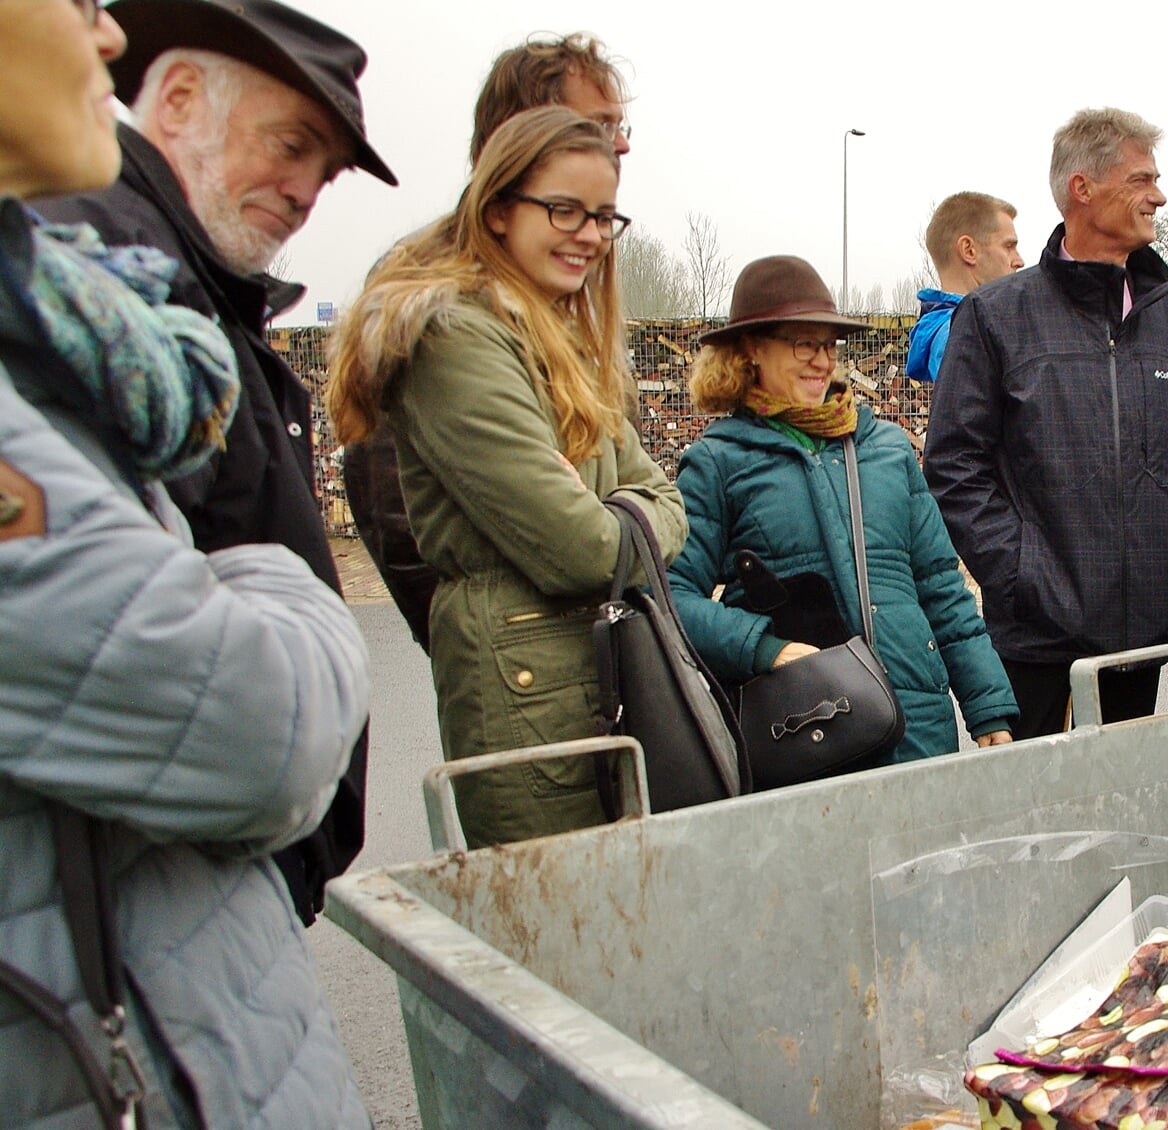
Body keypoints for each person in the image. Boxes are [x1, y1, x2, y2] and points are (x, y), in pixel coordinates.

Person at [2, 0, 371, 1124]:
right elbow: (257, 719)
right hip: (116, 1027)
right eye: (291, 142)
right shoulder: (119, 299)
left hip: (179, 969)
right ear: (178, 105)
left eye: (326, 166)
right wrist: (284, 592)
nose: (309, 188)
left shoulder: (113, 315)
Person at [325, 107, 685, 849]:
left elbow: (666, 499)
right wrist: (619, 514)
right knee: (561, 939)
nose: (588, 234)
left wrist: (616, 512)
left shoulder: (558, 336)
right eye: (563, 209)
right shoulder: (453, 336)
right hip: (523, 684)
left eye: (603, 217)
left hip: (590, 670)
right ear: (495, 211)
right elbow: (584, 549)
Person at [924, 108, 1168, 739]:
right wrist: (1020, 574)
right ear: (1082, 188)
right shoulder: (995, 316)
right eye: (1141, 178)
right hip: (1039, 640)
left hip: (1149, 636)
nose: (1159, 195)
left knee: (1131, 812)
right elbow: (955, 466)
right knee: (1037, 822)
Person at [345, 31, 635, 649]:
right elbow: (391, 500)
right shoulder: (435, 298)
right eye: (601, 122)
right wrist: (482, 633)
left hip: (586, 638)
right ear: (524, 131)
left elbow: (637, 485)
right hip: (520, 654)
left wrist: (614, 528)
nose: (622, 141)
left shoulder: (561, 286)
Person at [669, 256, 1018, 762]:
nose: (822, 360)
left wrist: (989, 707)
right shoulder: (716, 464)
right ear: (750, 350)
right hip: (804, 730)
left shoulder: (888, 450)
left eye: (828, 345)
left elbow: (942, 588)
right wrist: (764, 648)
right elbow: (671, 597)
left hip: (916, 726)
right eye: (803, 343)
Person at [907, 191, 1023, 382]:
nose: (1019, 261)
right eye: (1008, 246)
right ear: (969, 250)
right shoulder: (960, 337)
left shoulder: (963, 329)